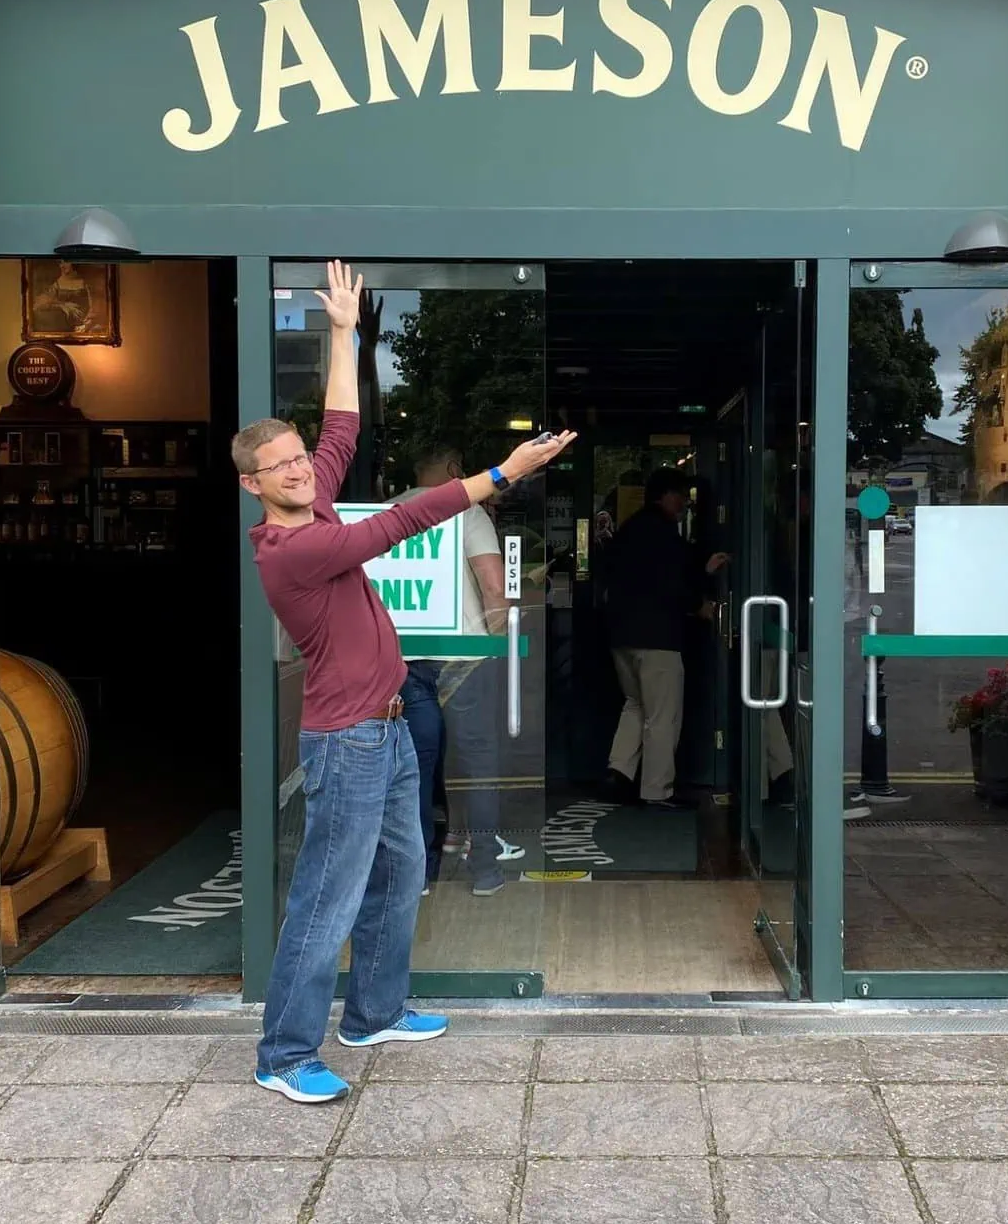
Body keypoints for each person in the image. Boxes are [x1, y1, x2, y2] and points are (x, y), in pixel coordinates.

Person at [234, 260, 574, 1104]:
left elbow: (341, 428)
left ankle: (372, 1012)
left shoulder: (313, 502)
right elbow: (398, 520)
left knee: (399, 868)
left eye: (296, 459)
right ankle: (283, 1053)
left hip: (384, 729)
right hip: (347, 738)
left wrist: (346, 332)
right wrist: (502, 475)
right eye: (278, 468)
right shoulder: (296, 548)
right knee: (327, 892)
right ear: (252, 483)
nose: (299, 470)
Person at [396, 446, 524, 897]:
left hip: (405, 660)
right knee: (478, 763)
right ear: (455, 469)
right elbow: (493, 586)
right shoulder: (465, 510)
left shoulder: (388, 511)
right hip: (463, 657)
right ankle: (486, 868)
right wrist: (500, 645)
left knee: (417, 767)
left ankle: (422, 873)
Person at [601, 467, 727, 810]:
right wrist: (700, 604)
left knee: (635, 704)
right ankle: (657, 791)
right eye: (681, 495)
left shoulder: (630, 529)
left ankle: (619, 771)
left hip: (622, 636)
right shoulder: (665, 533)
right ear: (665, 496)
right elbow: (670, 583)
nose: (686, 502)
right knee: (662, 716)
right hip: (658, 638)